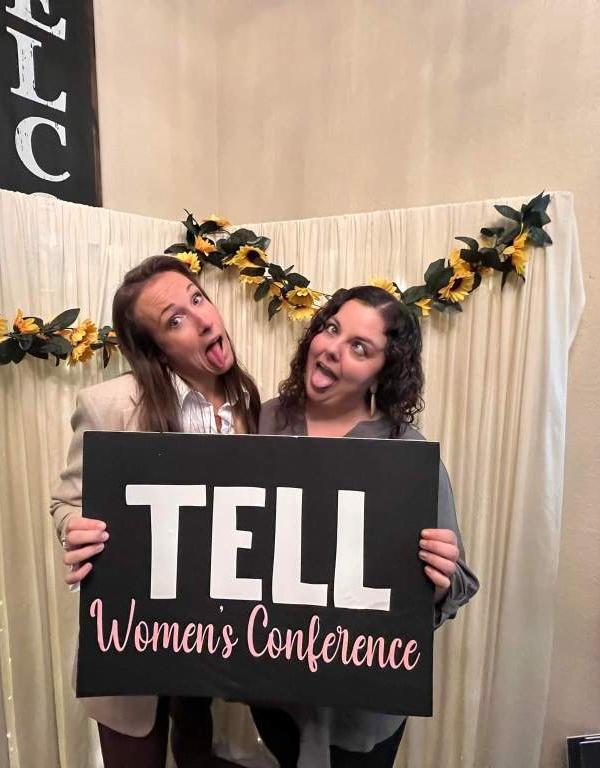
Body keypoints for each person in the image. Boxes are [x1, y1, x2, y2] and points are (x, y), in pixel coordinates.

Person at [250, 285, 479, 768]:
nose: (333, 348)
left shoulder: (406, 454)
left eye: (360, 347)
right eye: (331, 329)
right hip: (275, 688)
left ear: (384, 372)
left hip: (363, 705)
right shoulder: (265, 421)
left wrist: (437, 582)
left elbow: (457, 583)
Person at [49, 255, 261, 767]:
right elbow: (66, 502)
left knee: (197, 752)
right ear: (155, 349)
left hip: (207, 643)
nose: (205, 318)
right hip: (131, 645)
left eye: (197, 298)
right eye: (176, 319)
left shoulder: (254, 409)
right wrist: (74, 528)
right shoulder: (109, 406)